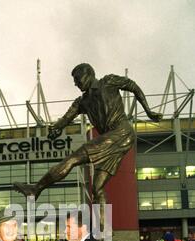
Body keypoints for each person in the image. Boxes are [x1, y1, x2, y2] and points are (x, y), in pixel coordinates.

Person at [13, 63, 162, 231]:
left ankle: (36, 188)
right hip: (114, 139)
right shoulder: (82, 102)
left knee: (72, 159)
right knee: (97, 188)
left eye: (77, 79)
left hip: (121, 132)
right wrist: (57, 128)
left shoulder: (108, 81)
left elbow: (132, 85)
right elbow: (66, 117)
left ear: (89, 74)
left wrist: (148, 110)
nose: (76, 84)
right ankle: (103, 233)